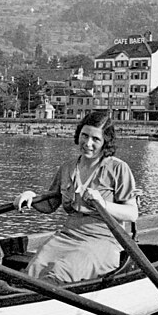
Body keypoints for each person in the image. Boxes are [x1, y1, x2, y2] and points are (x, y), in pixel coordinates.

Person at [13, 112, 138, 284]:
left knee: (60, 272)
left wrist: (103, 204)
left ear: (105, 143)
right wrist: (31, 197)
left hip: (104, 241)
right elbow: (50, 204)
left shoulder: (119, 168)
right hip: (67, 236)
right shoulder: (68, 167)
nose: (88, 144)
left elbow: (132, 213)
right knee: (34, 271)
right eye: (84, 136)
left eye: (96, 139)